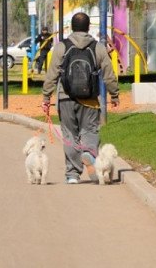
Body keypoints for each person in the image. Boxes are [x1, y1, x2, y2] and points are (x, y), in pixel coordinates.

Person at [41, 12, 120, 184]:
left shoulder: (62, 46)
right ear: (88, 27)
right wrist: (114, 94)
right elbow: (109, 73)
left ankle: (72, 174)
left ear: (71, 28)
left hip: (65, 97)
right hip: (90, 100)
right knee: (90, 131)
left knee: (70, 135)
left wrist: (46, 97)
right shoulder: (98, 47)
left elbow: (52, 74)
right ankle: (90, 154)